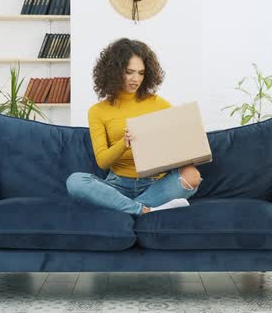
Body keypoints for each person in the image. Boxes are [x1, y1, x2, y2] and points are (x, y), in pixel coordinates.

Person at [66, 38, 202, 215]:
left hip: (155, 184)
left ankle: (126, 207)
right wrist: (124, 142)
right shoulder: (97, 111)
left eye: (141, 73)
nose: (135, 79)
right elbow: (102, 162)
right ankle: (143, 210)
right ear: (114, 72)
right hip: (117, 185)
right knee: (75, 182)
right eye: (129, 72)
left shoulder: (159, 104)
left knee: (192, 174)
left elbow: (178, 143)